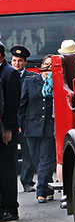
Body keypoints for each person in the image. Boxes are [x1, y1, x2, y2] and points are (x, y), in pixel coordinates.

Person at [18, 54, 56, 203]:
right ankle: (48, 186)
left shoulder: (57, 82)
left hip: (48, 126)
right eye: (46, 64)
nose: (48, 68)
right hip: (31, 125)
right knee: (35, 158)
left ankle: (41, 189)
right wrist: (19, 124)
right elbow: (23, 104)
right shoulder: (31, 81)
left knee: (46, 158)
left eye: (52, 65)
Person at [0, 41, 22, 222]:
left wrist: (8, 128)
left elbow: (11, 104)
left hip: (7, 129)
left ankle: (10, 208)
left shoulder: (10, 73)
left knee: (7, 169)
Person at [10, 45, 35, 192]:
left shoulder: (31, 77)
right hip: (10, 120)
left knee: (28, 153)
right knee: (10, 154)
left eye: (19, 61)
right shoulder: (6, 75)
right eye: (14, 60)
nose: (16, 64)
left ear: (25, 62)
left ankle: (27, 181)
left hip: (26, 120)